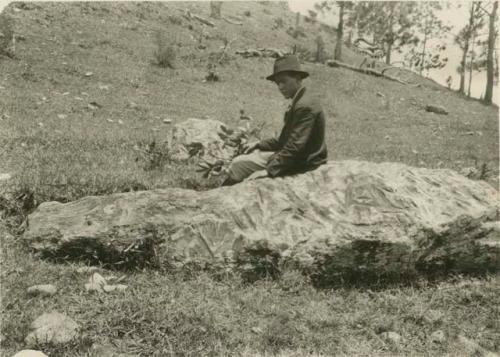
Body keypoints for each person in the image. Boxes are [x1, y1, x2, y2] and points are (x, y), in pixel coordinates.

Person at [222, 55, 328, 186]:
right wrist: (258, 144)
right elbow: (286, 139)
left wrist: (269, 171)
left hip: (304, 162)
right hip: (297, 157)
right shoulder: (301, 100)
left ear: (298, 78)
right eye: (277, 83)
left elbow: (294, 146)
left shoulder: (305, 106)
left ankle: (221, 197)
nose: (280, 87)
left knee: (238, 165)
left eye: (284, 81)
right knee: (242, 160)